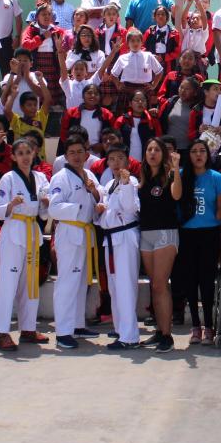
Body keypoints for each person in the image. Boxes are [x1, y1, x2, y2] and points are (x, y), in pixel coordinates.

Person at [0, 138, 50, 351]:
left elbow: (44, 213)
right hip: (13, 232)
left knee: (30, 282)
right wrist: (11, 204)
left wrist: (45, 205)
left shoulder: (41, 177)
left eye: (28, 152)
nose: (25, 156)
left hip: (32, 232)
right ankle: (2, 332)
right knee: (8, 283)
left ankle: (28, 328)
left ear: (34, 154)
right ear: (13, 157)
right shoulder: (8, 178)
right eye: (21, 153)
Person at [48, 137, 100, 350]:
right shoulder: (61, 177)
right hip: (70, 230)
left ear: (87, 154)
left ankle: (77, 324)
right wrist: (78, 208)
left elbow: (100, 196)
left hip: (85, 231)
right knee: (68, 282)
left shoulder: (89, 175)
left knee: (81, 282)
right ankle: (62, 331)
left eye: (80, 151)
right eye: (72, 152)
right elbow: (54, 208)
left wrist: (94, 193)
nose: (77, 156)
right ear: (65, 156)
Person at [176, 140, 221, 345]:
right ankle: (195, 326)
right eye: (194, 151)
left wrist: (219, 234)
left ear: (208, 155)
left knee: (207, 281)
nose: (198, 155)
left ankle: (209, 326)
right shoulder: (181, 175)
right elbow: (175, 197)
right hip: (187, 233)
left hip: (209, 233)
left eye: (202, 151)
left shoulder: (216, 177)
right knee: (189, 280)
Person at [137, 137, 183, 352]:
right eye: (149, 149)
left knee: (160, 284)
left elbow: (177, 195)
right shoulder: (142, 176)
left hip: (165, 232)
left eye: (156, 149)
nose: (152, 152)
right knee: (153, 285)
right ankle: (159, 330)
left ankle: (167, 335)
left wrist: (175, 167)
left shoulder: (170, 174)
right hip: (145, 233)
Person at [95, 147, 142, 350]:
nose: (115, 163)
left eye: (120, 159)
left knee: (125, 287)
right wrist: (101, 210)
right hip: (111, 238)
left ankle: (130, 336)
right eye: (111, 159)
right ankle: (121, 331)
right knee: (114, 288)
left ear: (128, 162)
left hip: (125, 237)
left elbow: (131, 208)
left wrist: (125, 184)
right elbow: (105, 215)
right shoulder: (108, 184)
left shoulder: (130, 182)